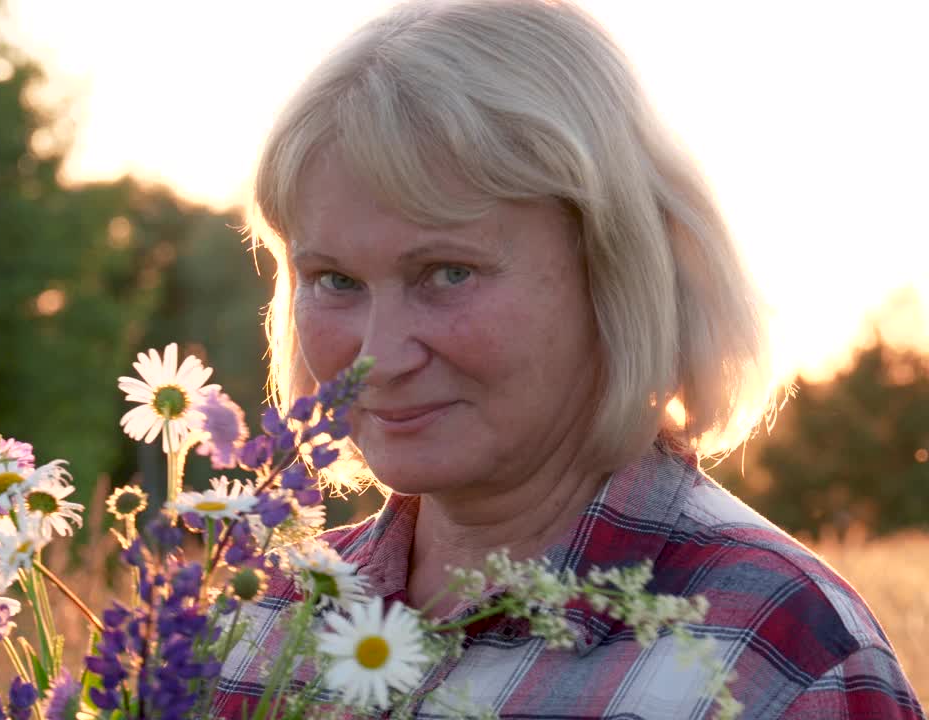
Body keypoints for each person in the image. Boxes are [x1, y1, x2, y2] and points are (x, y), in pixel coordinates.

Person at [209, 1, 926, 718]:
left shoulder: (780, 657)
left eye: (448, 272)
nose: (380, 356)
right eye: (336, 280)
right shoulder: (257, 625)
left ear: (616, 271)